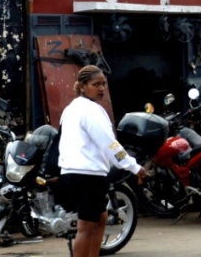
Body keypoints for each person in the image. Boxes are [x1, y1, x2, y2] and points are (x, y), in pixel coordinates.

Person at [58, 66, 145, 257]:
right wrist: (133, 166)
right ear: (82, 86)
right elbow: (109, 144)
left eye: (103, 84)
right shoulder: (92, 111)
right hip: (88, 175)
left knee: (101, 217)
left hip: (71, 173)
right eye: (95, 84)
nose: (101, 88)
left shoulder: (71, 109)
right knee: (86, 226)